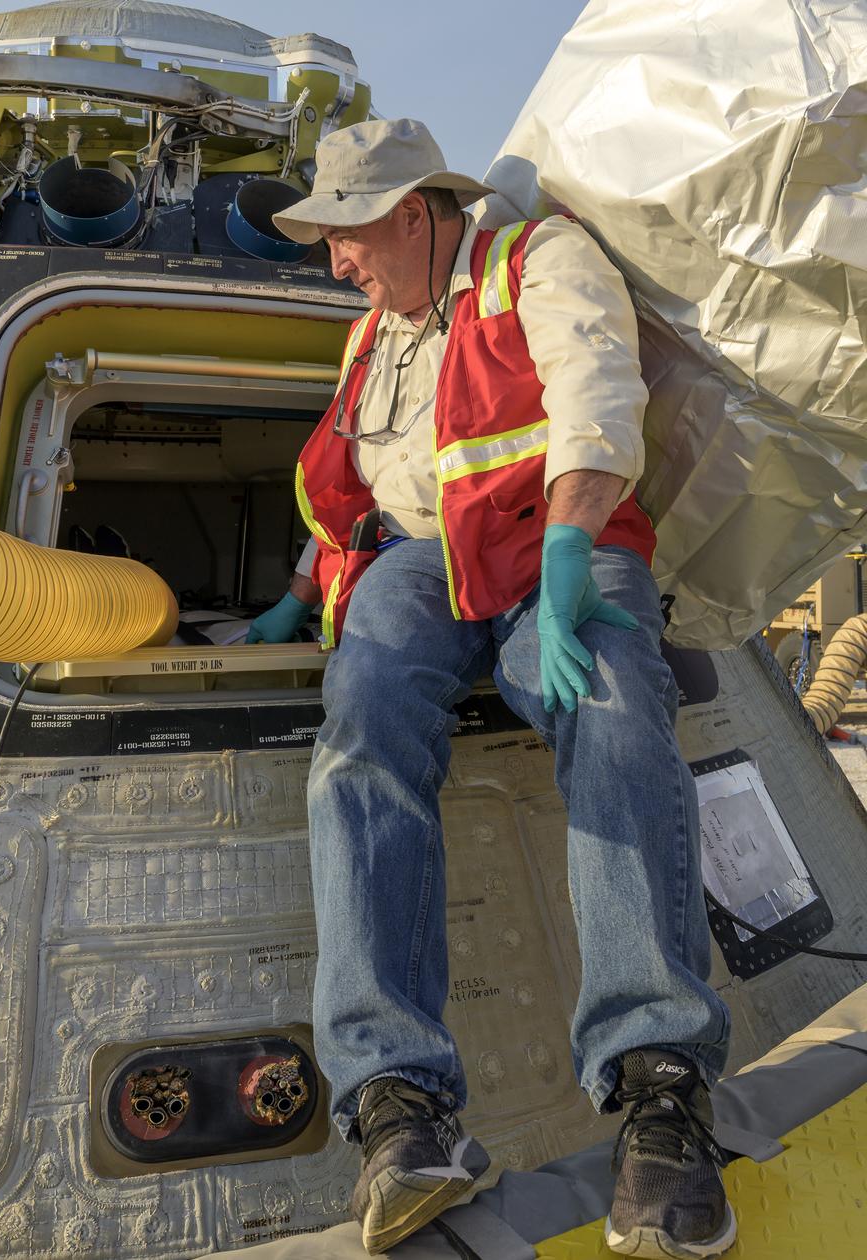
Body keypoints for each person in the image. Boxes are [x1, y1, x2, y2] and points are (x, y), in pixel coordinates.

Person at [250, 118, 734, 1260]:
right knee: (361, 730)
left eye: (346, 233)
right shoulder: (374, 332)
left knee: (613, 710)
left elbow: (594, 393)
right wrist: (301, 589)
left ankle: (659, 1093)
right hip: (420, 567)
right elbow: (363, 480)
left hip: (547, 549)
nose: (334, 260)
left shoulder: (538, 263)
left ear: (412, 213)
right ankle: (398, 1110)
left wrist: (569, 555)